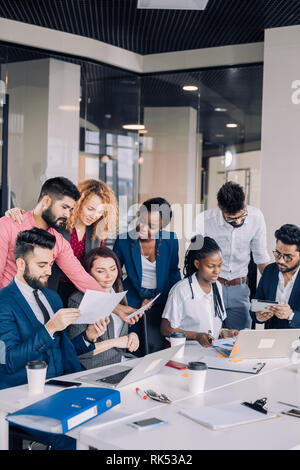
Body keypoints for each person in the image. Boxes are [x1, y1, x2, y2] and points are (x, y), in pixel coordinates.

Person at [0, 228, 108, 449]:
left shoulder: (53, 297)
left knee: (108, 426)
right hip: (25, 396)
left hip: (65, 389)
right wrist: (49, 329)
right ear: (20, 264)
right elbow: (9, 360)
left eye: (50, 264)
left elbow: (63, 350)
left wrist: (88, 337)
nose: (49, 271)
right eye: (42, 265)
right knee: (77, 439)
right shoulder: (3, 302)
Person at [0, 176, 139, 324]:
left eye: (70, 209)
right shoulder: (9, 225)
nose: (67, 214)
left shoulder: (58, 240)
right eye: (65, 208)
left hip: (38, 312)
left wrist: (115, 308)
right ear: (47, 201)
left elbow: (81, 276)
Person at [195, 181, 270, 330]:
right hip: (210, 288)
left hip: (240, 289)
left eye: (241, 215)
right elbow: (194, 260)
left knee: (240, 342)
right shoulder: (204, 221)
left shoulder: (256, 217)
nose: (238, 221)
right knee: (209, 338)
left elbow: (261, 258)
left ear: (245, 199)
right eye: (231, 218)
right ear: (219, 207)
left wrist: (272, 290)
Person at [113, 197, 181, 355]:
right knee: (133, 344)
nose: (142, 227)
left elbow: (173, 273)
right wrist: (122, 301)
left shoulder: (170, 240)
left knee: (157, 346)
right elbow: (115, 276)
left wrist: (175, 300)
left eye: (151, 226)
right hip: (132, 298)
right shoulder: (124, 240)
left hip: (161, 297)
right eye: (141, 220)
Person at [67, 246, 139, 369]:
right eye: (101, 271)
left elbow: (119, 334)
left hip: (122, 361)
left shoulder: (118, 293)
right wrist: (118, 342)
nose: (109, 276)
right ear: (88, 273)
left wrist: (132, 336)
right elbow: (77, 352)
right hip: (95, 367)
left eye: (113, 269)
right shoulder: (79, 300)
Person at [161, 235, 238, 346]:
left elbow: (210, 326)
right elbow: (165, 329)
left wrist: (224, 332)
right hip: (187, 352)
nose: (217, 271)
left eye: (219, 265)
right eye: (211, 266)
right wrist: (196, 336)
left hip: (211, 351)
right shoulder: (181, 290)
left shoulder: (217, 287)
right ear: (197, 264)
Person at [251, 224, 300, 329]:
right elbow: (255, 305)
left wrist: (291, 315)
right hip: (271, 337)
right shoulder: (270, 270)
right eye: (278, 254)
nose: (281, 260)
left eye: (288, 257)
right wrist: (258, 316)